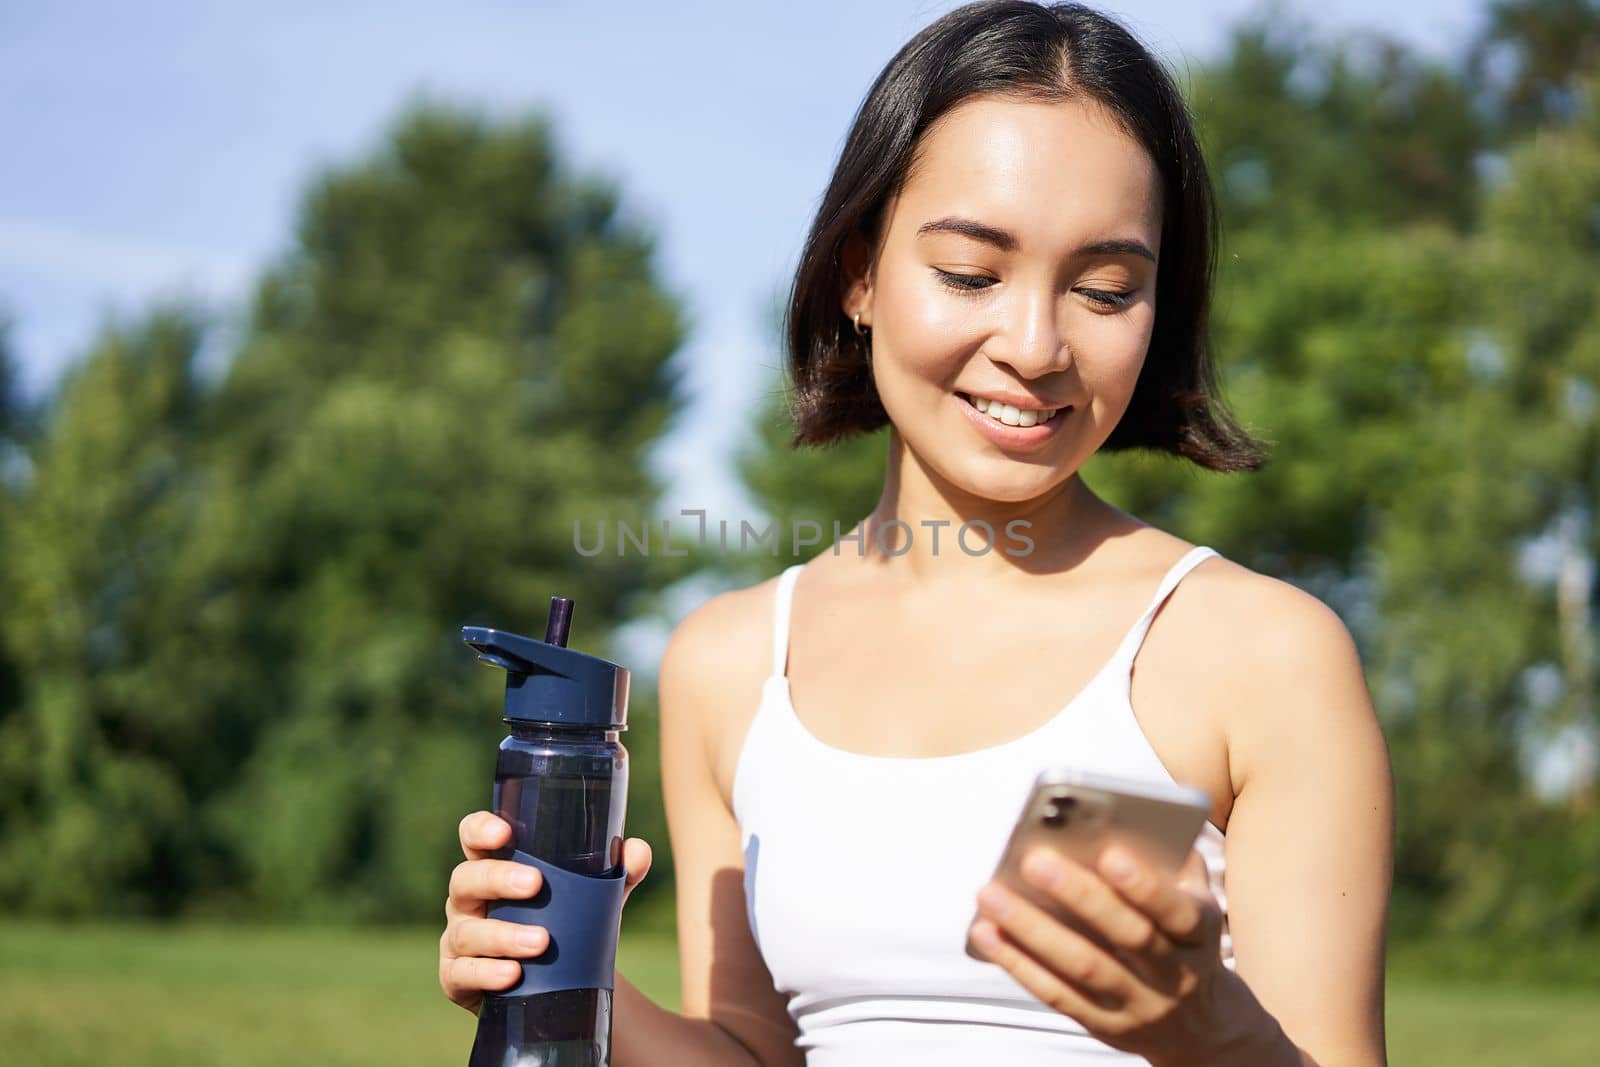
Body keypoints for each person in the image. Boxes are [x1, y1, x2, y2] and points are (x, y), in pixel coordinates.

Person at [439, 2, 1394, 1063]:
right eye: (971, 273)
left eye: (1105, 287)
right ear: (859, 272)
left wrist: (1208, 1032)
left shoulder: (1255, 653)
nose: (1035, 345)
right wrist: (571, 978)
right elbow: (759, 1052)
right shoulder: (733, 659)